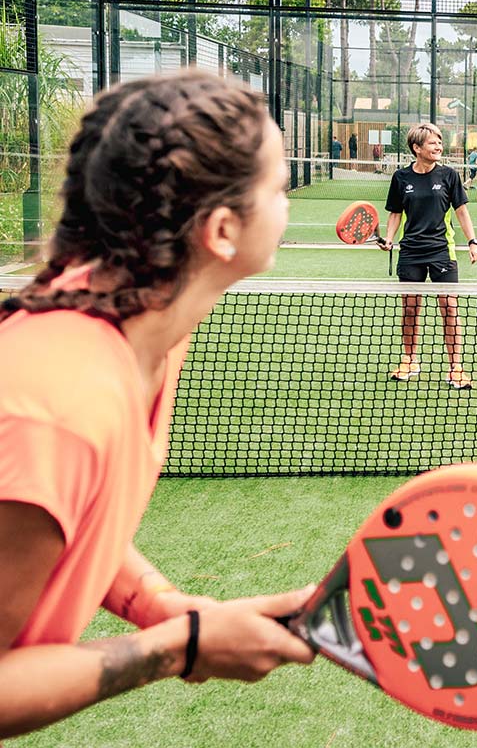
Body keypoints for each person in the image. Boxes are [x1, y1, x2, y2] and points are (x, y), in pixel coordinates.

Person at [0, 71, 315, 739]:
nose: (288, 205)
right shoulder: (61, 405)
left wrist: (165, 606)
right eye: (281, 188)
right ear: (224, 229)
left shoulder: (147, 331)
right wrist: (181, 646)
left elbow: (71, 512)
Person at [382, 123, 477, 390]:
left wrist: (473, 241)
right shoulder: (401, 178)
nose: (438, 146)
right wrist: (390, 239)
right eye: (432, 143)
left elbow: (461, 211)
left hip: (442, 252)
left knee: (449, 309)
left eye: (439, 141)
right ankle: (410, 360)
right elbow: (395, 212)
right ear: (417, 148)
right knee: (410, 309)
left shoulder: (449, 175)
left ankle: (455, 368)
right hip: (411, 252)